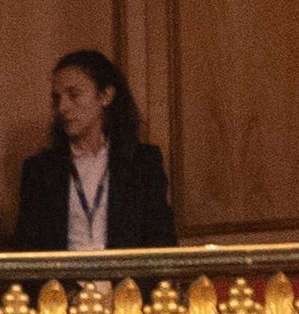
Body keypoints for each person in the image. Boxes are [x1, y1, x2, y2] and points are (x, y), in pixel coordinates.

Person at [10, 49, 177, 250]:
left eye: (74, 95)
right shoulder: (40, 170)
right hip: (64, 281)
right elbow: (28, 248)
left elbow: (161, 239)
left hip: (126, 280)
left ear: (106, 95)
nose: (62, 107)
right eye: (57, 98)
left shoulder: (142, 162)